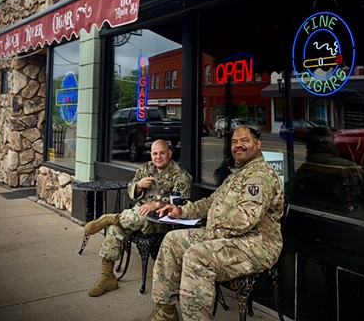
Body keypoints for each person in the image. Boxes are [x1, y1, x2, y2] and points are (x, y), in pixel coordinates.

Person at [145, 126, 285, 321]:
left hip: (255, 245)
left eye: (244, 140)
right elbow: (210, 203)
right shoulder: (237, 175)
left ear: (257, 144)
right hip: (227, 237)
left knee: (197, 256)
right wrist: (181, 211)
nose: (238, 145)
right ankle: (166, 312)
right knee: (172, 241)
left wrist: (209, 234)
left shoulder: (260, 176)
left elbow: (245, 220)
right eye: (235, 142)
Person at [84, 139, 192, 297]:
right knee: (115, 229)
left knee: (142, 215)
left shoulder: (180, 175)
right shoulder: (147, 168)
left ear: (169, 153)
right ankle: (107, 277)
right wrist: (139, 185)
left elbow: (182, 200)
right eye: (155, 153)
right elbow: (130, 187)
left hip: (161, 219)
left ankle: (110, 218)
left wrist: (157, 204)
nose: (158, 157)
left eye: (162, 153)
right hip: (137, 213)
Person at [291, 126, 364, 216]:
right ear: (322, 144)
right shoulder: (349, 169)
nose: (336, 143)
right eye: (333, 139)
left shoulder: (301, 172)